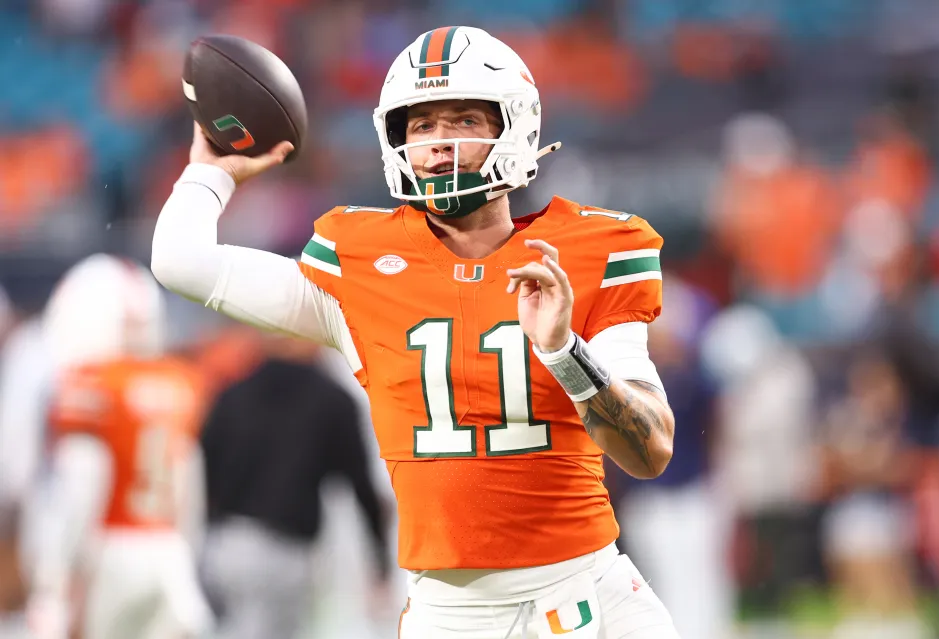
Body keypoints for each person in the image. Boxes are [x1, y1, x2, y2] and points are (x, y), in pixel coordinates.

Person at [153, 26, 678, 638]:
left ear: (516, 126)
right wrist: (209, 173)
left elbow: (650, 451)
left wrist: (565, 352)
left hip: (587, 594)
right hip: (448, 614)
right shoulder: (358, 260)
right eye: (420, 126)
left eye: (460, 120)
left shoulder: (589, 250)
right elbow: (181, 263)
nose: (436, 145)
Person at [25, 255, 212, 639]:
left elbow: (82, 487)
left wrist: (55, 579)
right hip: (168, 551)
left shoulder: (95, 387)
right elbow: (190, 487)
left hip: (111, 551)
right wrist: (186, 555)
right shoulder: (178, 382)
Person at [199, 334, 391, 639]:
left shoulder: (233, 392)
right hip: (285, 550)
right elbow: (361, 485)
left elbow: (203, 466)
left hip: (224, 544)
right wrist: (379, 558)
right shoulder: (332, 399)